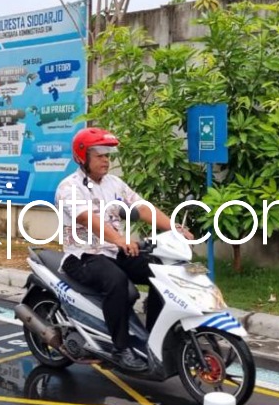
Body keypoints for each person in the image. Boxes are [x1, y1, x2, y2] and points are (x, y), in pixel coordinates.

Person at [55, 127, 194, 372]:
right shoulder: (69, 187)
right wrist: (119, 239)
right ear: (82, 157)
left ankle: (156, 338)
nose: (106, 161)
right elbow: (87, 218)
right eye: (99, 156)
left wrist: (175, 228)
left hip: (114, 251)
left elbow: (143, 208)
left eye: (108, 156)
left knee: (161, 270)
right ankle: (120, 348)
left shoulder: (114, 183)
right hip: (83, 255)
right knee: (117, 282)